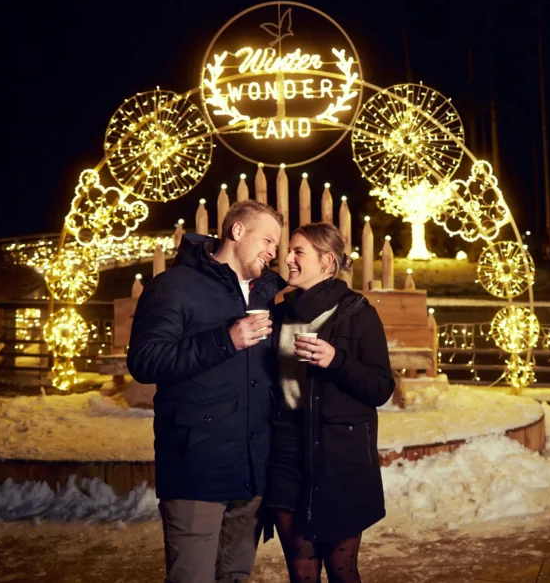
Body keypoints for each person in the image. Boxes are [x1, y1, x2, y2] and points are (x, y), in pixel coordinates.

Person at [127, 200, 287, 583]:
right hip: (196, 465)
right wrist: (226, 340)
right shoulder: (174, 286)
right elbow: (145, 362)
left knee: (235, 576)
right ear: (237, 232)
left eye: (276, 246)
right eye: (267, 240)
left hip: (251, 471)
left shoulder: (267, 294)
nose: (272, 252)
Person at [264, 222, 395, 583]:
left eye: (298, 252)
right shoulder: (279, 313)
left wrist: (335, 361)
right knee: (301, 570)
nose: (286, 258)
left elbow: (381, 387)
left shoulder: (357, 313)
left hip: (341, 455)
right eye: (288, 250)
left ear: (326, 263)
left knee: (341, 570)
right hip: (287, 451)